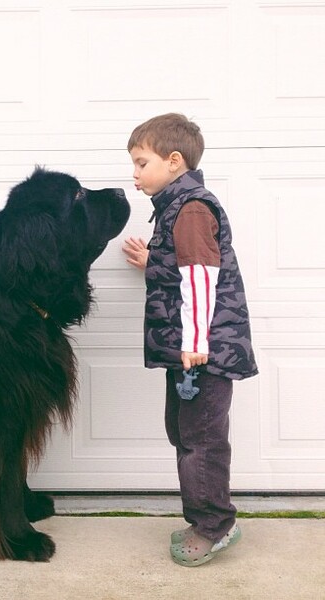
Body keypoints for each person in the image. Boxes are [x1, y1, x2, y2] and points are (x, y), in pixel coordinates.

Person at [122, 113, 258, 567]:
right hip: (191, 352)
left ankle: (214, 526)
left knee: (200, 440)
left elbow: (201, 279)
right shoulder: (175, 208)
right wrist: (153, 261)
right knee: (184, 433)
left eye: (142, 163)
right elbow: (182, 269)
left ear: (174, 161)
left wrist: (195, 344)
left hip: (203, 353)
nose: (135, 173)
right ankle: (205, 515)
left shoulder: (192, 209)